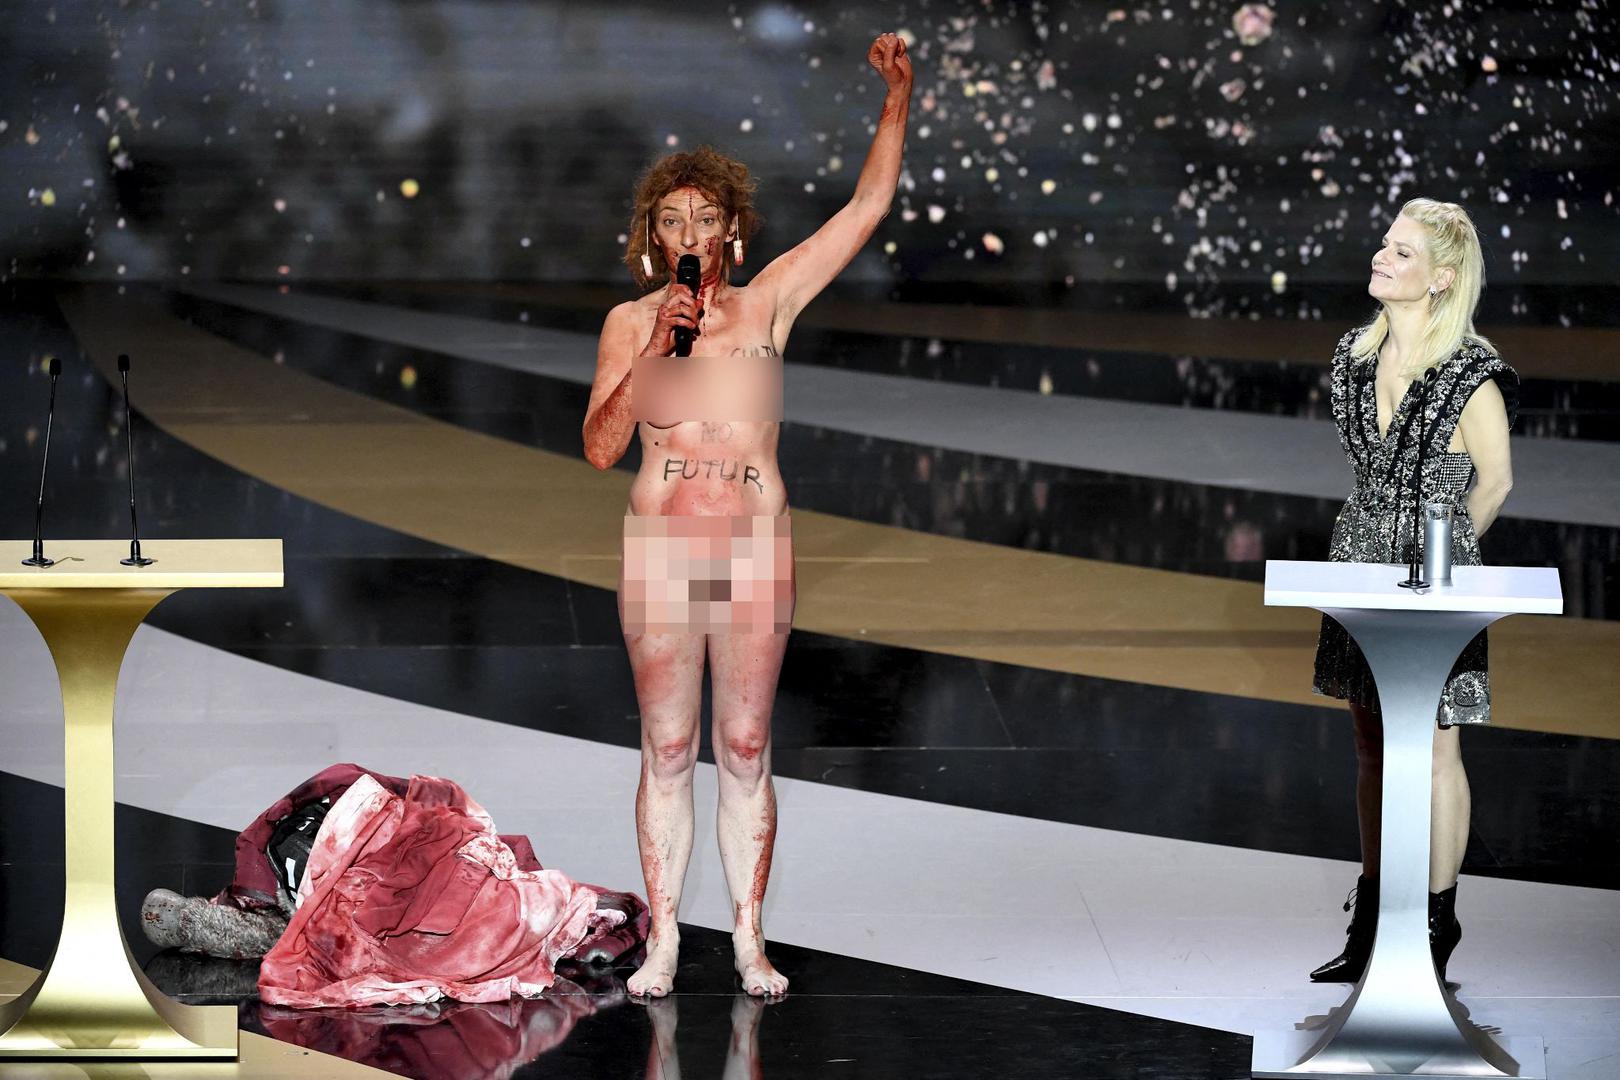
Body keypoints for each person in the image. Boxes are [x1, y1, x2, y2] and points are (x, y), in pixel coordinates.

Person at [581, 33, 913, 998]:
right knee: (668, 747)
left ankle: (747, 938)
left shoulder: (771, 302)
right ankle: (663, 941)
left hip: (755, 542)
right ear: (653, 236)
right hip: (662, 544)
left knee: (744, 745)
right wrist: (659, 347)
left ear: (731, 229)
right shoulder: (630, 322)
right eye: (671, 219)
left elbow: (866, 208)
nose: (689, 232)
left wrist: (896, 99)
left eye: (705, 216)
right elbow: (600, 446)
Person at [1310, 197, 1518, 984]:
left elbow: (1495, 482)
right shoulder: (1352, 357)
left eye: (1403, 252)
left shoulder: (1469, 371)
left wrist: (1445, 557)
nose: (1383, 257)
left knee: (1435, 746)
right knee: (1369, 742)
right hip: (1360, 558)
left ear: (1442, 278)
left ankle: (1435, 918)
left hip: (1435, 571)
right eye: (1385, 244)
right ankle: (1372, 914)